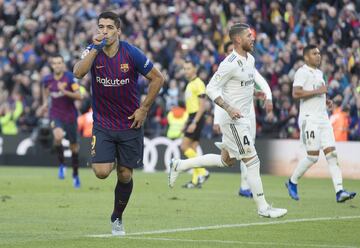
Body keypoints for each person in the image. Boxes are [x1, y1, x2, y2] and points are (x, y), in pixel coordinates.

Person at [169, 23, 287, 218]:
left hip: (243, 119)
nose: (253, 38)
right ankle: (263, 207)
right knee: (252, 160)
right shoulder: (229, 63)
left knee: (226, 161)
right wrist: (229, 108)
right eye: (249, 36)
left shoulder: (250, 60)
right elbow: (211, 88)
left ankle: (179, 165)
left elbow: (243, 86)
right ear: (238, 40)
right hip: (232, 120)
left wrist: (256, 93)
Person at [73, 11, 164, 235]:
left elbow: (157, 78)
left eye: (109, 27)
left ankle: (117, 217)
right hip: (103, 123)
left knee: (125, 174)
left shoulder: (131, 53)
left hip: (129, 123)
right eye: (101, 26)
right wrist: (93, 49)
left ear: (118, 31)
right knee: (102, 172)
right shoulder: (92, 50)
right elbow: (78, 73)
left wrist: (143, 109)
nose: (104, 31)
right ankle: (106, 154)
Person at [286, 45, 356, 202]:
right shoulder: (302, 72)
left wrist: (326, 101)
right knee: (313, 157)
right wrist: (318, 92)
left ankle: (339, 191)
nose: (318, 56)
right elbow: (296, 93)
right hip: (309, 118)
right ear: (306, 57)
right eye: (314, 53)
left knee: (332, 154)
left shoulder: (319, 73)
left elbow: (317, 93)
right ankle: (292, 181)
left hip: (323, 118)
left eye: (319, 53)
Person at [217, 41, 272, 198]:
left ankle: (245, 187)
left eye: (230, 50)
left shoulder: (248, 62)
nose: (229, 52)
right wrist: (217, 118)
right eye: (226, 50)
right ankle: (258, 200)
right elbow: (216, 92)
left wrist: (262, 95)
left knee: (235, 157)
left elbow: (252, 84)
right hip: (232, 117)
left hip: (248, 115)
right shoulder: (226, 67)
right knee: (241, 157)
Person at [42, 54, 83, 188]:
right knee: (58, 136)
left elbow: (79, 96)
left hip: (70, 116)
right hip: (55, 114)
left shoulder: (70, 78)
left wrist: (64, 91)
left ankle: (75, 174)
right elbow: (45, 90)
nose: (57, 65)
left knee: (74, 148)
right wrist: (44, 104)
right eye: (55, 63)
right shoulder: (47, 79)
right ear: (52, 65)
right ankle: (62, 164)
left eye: (59, 63)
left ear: (63, 64)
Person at [180, 59, 210, 189]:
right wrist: (187, 122)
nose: (186, 71)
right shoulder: (190, 84)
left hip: (197, 117)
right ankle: (196, 180)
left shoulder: (198, 84)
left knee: (184, 147)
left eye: (188, 68)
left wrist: (194, 122)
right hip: (192, 117)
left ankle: (203, 172)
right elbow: (190, 106)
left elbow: (202, 106)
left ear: (194, 69)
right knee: (192, 149)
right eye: (184, 68)